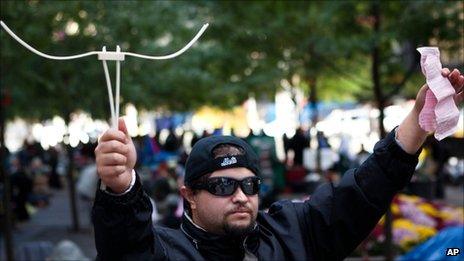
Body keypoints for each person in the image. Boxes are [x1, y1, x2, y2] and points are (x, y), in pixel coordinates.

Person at [92, 68, 463, 260]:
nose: (240, 196)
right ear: (189, 195)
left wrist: (417, 122)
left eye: (249, 185)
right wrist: (121, 188)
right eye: (223, 186)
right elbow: (126, 245)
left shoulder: (291, 233)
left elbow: (362, 192)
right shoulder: (166, 251)